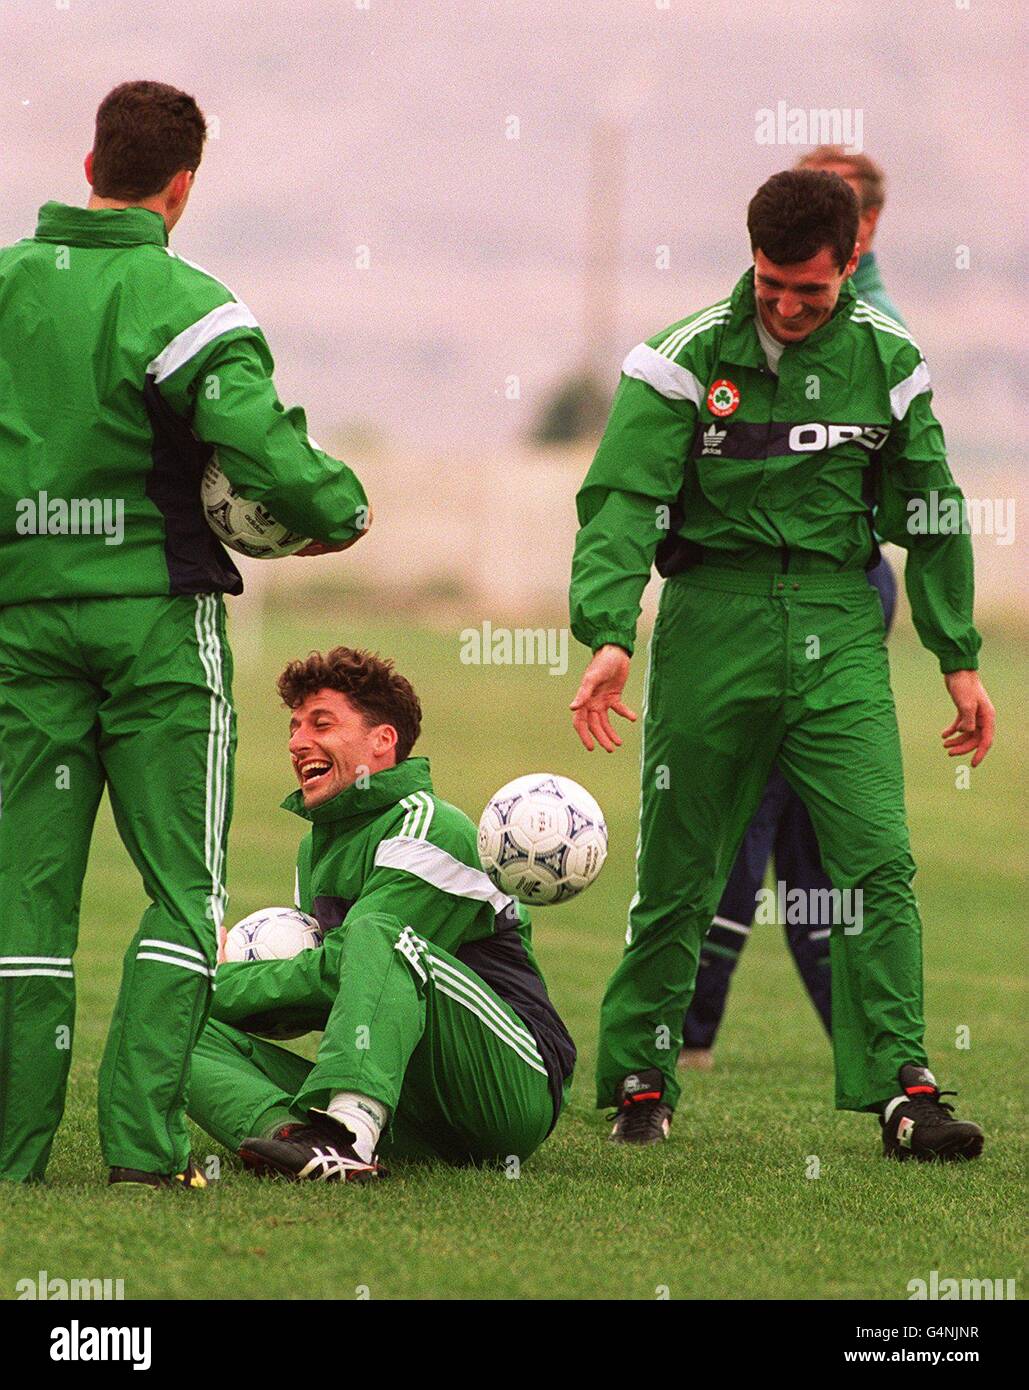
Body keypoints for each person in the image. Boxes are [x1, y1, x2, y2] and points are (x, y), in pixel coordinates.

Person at [568, 169, 994, 1160]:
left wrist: (957, 656)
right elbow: (620, 500)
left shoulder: (891, 362)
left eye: (812, 288)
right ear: (750, 258)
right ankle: (641, 1076)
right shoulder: (678, 360)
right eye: (772, 286)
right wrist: (609, 632)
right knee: (680, 867)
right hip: (710, 620)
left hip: (841, 624)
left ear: (852, 261)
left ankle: (905, 1089)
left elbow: (929, 505)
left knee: (877, 858)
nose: (790, 308)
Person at [0, 81, 370, 1188]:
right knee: (182, 891)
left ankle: (13, 1158)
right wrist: (333, 514)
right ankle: (142, 1153)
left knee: (25, 896)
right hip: (156, 625)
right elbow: (259, 443)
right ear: (182, 188)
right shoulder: (185, 300)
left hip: (20, 625)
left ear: (88, 168)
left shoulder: (10, 285)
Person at [187, 647, 576, 1181]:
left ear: (382, 740)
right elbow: (327, 997)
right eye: (295, 726)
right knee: (176, 1024)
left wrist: (218, 982)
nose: (298, 742)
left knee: (378, 934)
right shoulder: (316, 851)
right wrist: (189, 988)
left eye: (321, 723)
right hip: (409, 1109)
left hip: (507, 1088)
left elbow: (342, 967)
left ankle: (346, 1135)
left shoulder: (431, 828)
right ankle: (299, 1143)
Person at [680, 147, 904, 1068]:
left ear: (861, 233)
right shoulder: (783, 310)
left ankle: (683, 1037)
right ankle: (872, 1050)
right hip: (787, 590)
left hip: (825, 590)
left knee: (746, 810)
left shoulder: (869, 331)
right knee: (811, 844)